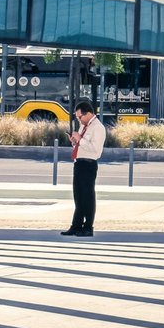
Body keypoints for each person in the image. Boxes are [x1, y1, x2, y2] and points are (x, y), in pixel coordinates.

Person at [62, 99, 105, 236]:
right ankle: (76, 225)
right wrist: (75, 142)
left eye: (80, 117)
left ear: (88, 114)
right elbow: (82, 144)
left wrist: (80, 139)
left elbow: (95, 149)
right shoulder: (84, 126)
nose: (79, 120)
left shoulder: (98, 127)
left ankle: (88, 227)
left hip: (89, 164)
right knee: (78, 196)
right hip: (79, 163)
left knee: (88, 196)